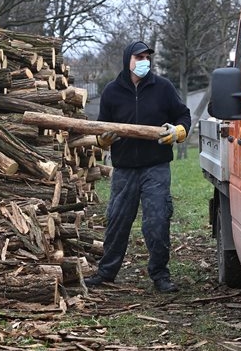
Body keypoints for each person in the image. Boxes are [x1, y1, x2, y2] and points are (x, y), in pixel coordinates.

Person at [85, 40, 192, 293]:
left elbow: (183, 115)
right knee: (117, 220)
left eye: (146, 57)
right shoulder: (112, 91)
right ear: (127, 61)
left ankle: (160, 275)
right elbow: (101, 127)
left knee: (156, 221)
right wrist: (103, 139)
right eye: (139, 57)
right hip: (124, 169)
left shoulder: (162, 87)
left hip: (156, 167)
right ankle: (106, 271)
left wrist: (178, 132)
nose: (144, 61)